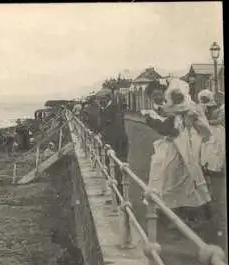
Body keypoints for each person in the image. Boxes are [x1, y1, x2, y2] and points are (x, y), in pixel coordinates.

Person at [142, 79, 214, 240]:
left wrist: (184, 118)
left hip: (185, 146)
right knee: (168, 177)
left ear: (164, 93)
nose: (157, 98)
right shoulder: (155, 112)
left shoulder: (179, 105)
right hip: (172, 146)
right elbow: (167, 129)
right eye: (153, 96)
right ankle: (171, 213)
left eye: (158, 94)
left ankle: (194, 215)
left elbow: (187, 120)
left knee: (188, 177)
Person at [198, 90, 226, 254]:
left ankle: (219, 229)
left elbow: (218, 122)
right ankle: (212, 226)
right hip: (210, 148)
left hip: (217, 144)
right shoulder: (208, 119)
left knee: (217, 198)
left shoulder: (219, 123)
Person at [95, 88, 129, 196]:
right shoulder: (104, 109)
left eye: (101, 100)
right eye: (98, 100)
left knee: (118, 170)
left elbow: (116, 127)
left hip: (118, 144)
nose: (99, 102)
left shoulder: (115, 109)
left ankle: (120, 198)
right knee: (111, 169)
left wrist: (103, 135)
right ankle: (115, 196)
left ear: (108, 98)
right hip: (110, 143)